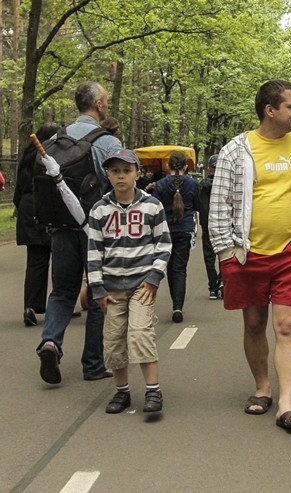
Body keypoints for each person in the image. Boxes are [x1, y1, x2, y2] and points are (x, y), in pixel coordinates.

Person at [209, 79, 291, 430]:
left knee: (287, 326)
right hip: (247, 255)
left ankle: (286, 404)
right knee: (255, 323)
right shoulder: (236, 151)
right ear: (270, 110)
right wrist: (227, 251)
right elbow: (219, 205)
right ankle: (262, 388)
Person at [36, 81, 122, 385]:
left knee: (62, 290)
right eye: (106, 100)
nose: (107, 104)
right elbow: (120, 185)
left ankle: (51, 342)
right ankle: (93, 363)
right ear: (98, 104)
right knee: (100, 291)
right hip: (94, 229)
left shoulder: (57, 139)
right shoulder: (106, 142)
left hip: (60, 227)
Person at [87, 149, 172, 414]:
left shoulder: (152, 205)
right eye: (115, 171)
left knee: (140, 333)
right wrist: (97, 287)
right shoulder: (99, 210)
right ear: (108, 175)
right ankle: (122, 391)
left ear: (137, 173)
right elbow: (93, 251)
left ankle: (153, 390)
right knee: (112, 340)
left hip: (141, 284)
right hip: (112, 287)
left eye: (126, 170)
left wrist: (154, 277)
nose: (121, 176)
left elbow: (164, 244)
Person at [14, 122, 59, 327]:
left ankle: (31, 306)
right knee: (59, 257)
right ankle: (60, 303)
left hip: (27, 207)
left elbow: (18, 190)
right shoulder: (49, 157)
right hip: (45, 207)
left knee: (36, 260)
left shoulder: (27, 156)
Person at [153, 151, 200, 323]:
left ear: (167, 166)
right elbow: (197, 205)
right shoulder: (192, 184)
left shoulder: (160, 185)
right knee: (179, 268)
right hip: (185, 229)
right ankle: (177, 306)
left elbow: (154, 208)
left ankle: (174, 302)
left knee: (169, 267)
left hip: (165, 230)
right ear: (186, 166)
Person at [199, 154, 222, 299]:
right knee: (224, 254)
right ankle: (222, 281)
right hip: (222, 222)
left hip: (207, 223)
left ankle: (212, 287)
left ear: (209, 169)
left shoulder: (201, 185)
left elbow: (198, 204)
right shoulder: (224, 185)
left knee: (209, 256)